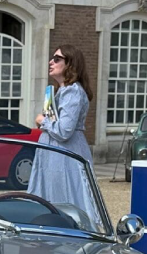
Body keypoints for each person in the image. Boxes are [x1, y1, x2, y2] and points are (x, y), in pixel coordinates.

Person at [27, 43, 97, 218]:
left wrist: (42, 120)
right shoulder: (62, 91)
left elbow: (64, 131)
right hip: (55, 154)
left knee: (67, 199)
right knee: (53, 198)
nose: (51, 62)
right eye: (52, 58)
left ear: (70, 64)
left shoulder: (72, 92)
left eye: (57, 59)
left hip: (65, 154)